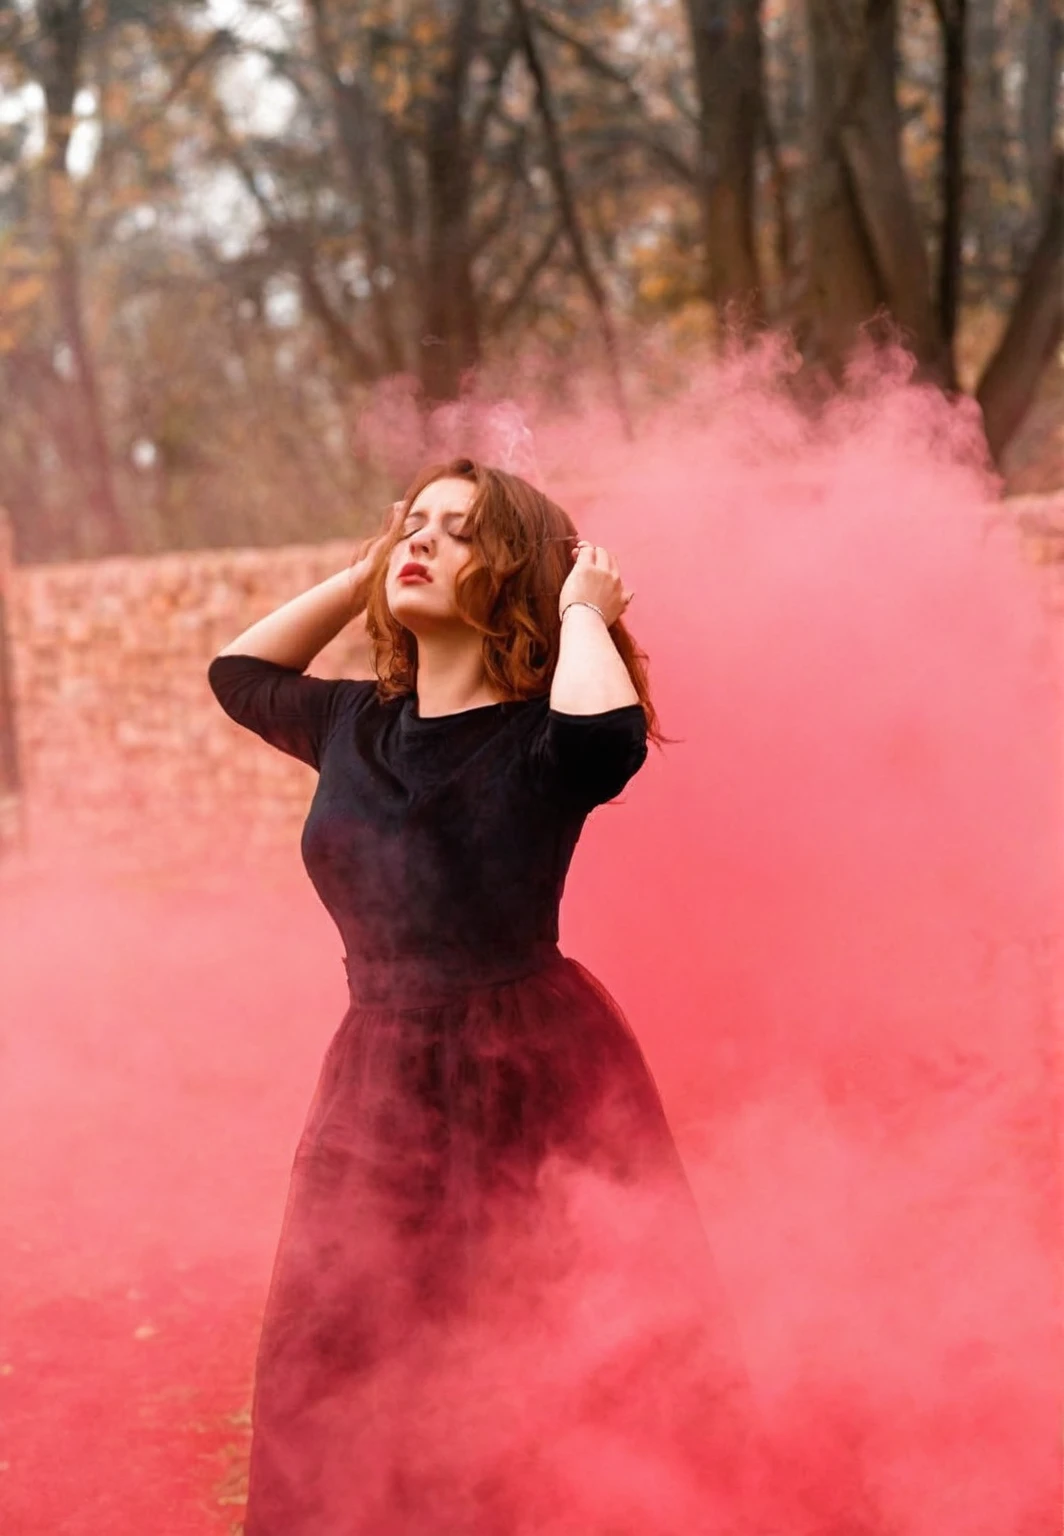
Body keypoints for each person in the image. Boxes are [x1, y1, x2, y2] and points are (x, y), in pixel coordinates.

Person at [207, 457, 764, 1536]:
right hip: (374, 1074)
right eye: (413, 523)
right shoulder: (350, 724)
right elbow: (236, 671)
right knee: (350, 1353)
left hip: (533, 1065)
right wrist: (372, 566)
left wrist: (582, 609)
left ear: (508, 570)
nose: (422, 541)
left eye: (458, 532)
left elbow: (606, 743)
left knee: (561, 1350)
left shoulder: (542, 735)